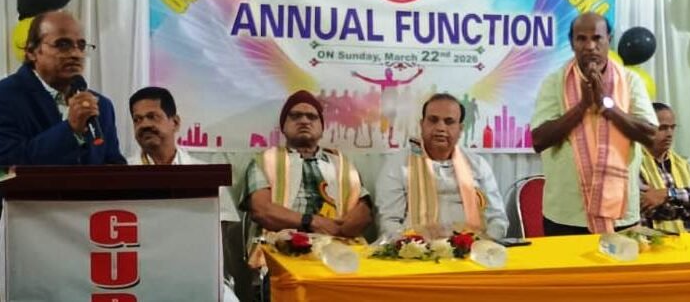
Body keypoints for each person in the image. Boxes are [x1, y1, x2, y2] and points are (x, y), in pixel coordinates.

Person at [531, 12, 657, 235]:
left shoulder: (630, 81)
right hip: (566, 214)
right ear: (572, 43)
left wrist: (607, 105)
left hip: (620, 214)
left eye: (597, 38)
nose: (590, 46)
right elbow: (539, 140)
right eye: (581, 39)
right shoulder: (554, 82)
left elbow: (650, 135)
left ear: (609, 39)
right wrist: (582, 107)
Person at [127, 86, 242, 301]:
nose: (144, 125)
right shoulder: (123, 174)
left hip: (197, 271)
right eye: (137, 120)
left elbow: (221, 233)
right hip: (141, 275)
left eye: (152, 116)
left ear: (176, 122)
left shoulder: (205, 175)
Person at [375, 93, 508, 239]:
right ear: (422, 124)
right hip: (415, 249)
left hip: (473, 247)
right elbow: (388, 221)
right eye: (433, 120)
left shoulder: (478, 165)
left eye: (449, 122)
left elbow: (497, 218)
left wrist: (485, 242)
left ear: (460, 129)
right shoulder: (398, 165)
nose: (440, 127)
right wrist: (409, 244)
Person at [0, 11, 125, 165]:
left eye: (81, 45)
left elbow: (114, 165)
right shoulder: (5, 96)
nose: (76, 54)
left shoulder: (101, 106)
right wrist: (70, 129)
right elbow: (8, 165)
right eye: (63, 45)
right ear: (32, 52)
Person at [243, 90, 372, 238]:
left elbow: (364, 209)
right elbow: (261, 210)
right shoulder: (265, 160)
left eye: (312, 117)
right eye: (295, 116)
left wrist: (345, 228)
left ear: (322, 128)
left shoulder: (343, 164)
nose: (304, 121)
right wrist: (311, 222)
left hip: (337, 243)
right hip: (281, 243)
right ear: (283, 127)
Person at [640, 103, 690, 232]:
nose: (669, 134)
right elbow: (650, 209)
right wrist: (689, 209)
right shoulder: (635, 165)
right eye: (662, 128)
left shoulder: (685, 163)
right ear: (645, 129)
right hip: (652, 239)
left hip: (689, 238)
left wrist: (668, 194)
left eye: (672, 127)